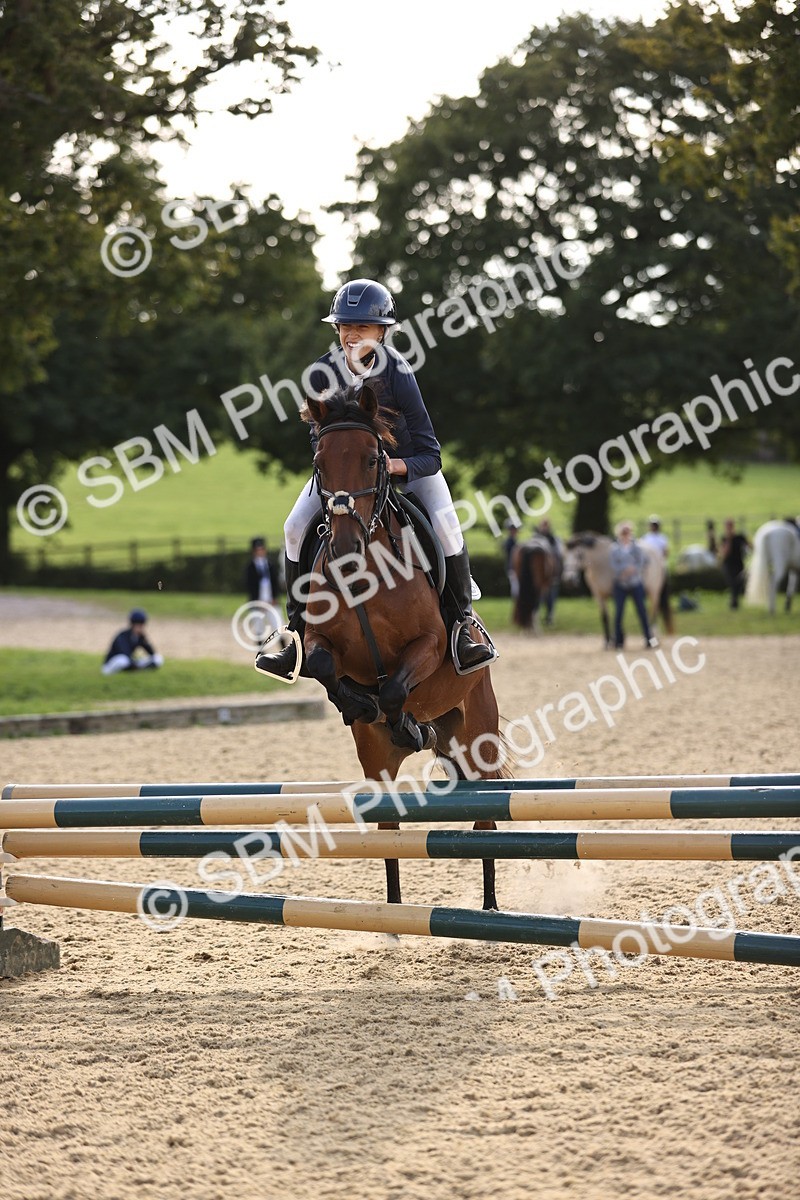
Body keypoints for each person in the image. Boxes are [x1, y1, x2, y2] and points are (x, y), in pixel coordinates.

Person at [256, 278, 498, 681]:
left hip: (405, 468)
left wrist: (395, 465)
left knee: (446, 526)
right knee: (294, 527)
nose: (352, 334)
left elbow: (430, 451)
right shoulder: (321, 372)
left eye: (362, 326)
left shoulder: (398, 373)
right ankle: (296, 634)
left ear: (382, 331)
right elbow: (318, 438)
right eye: (345, 326)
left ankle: (461, 629)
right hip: (349, 477)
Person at [609, 522, 658, 650]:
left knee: (642, 611)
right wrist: (623, 571)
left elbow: (642, 562)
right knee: (619, 613)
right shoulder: (614, 548)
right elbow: (613, 565)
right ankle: (618, 641)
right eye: (623, 532)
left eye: (627, 532)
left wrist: (633, 569)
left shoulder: (637, 547)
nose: (626, 534)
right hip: (620, 583)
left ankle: (649, 639)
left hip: (635, 582)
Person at [639, 514, 674, 634]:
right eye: (652, 525)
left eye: (655, 525)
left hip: (660, 567)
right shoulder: (645, 538)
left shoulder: (662, 538)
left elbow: (665, 552)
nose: (654, 527)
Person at [102, 609, 163, 675]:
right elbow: (125, 653)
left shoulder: (140, 637)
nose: (140, 627)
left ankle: (138, 670)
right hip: (110, 666)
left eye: (142, 625)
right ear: (132, 624)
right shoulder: (122, 636)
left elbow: (151, 653)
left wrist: (144, 640)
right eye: (138, 625)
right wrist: (134, 663)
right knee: (123, 660)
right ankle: (132, 669)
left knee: (158, 658)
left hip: (130, 661)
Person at [535, 518, 563, 626]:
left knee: (551, 597)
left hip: (552, 576)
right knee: (540, 597)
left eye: (546, 525)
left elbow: (559, 555)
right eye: (543, 525)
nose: (545, 527)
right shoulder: (536, 539)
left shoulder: (554, 540)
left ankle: (549, 617)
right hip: (540, 577)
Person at [719, 518, 751, 609]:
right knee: (732, 583)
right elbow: (725, 553)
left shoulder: (740, 537)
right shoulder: (724, 538)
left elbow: (750, 546)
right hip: (728, 565)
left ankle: (734, 601)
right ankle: (734, 601)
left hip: (738, 563)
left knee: (738, 583)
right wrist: (729, 540)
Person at [245, 537, 274, 604]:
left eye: (262, 549)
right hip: (257, 600)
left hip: (270, 599)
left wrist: (274, 597)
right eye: (258, 550)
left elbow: (274, 582)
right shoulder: (250, 567)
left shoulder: (270, 565)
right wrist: (256, 599)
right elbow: (250, 584)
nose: (260, 552)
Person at [503, 520, 520, 599]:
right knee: (515, 588)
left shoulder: (513, 541)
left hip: (514, 567)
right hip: (512, 567)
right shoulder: (510, 542)